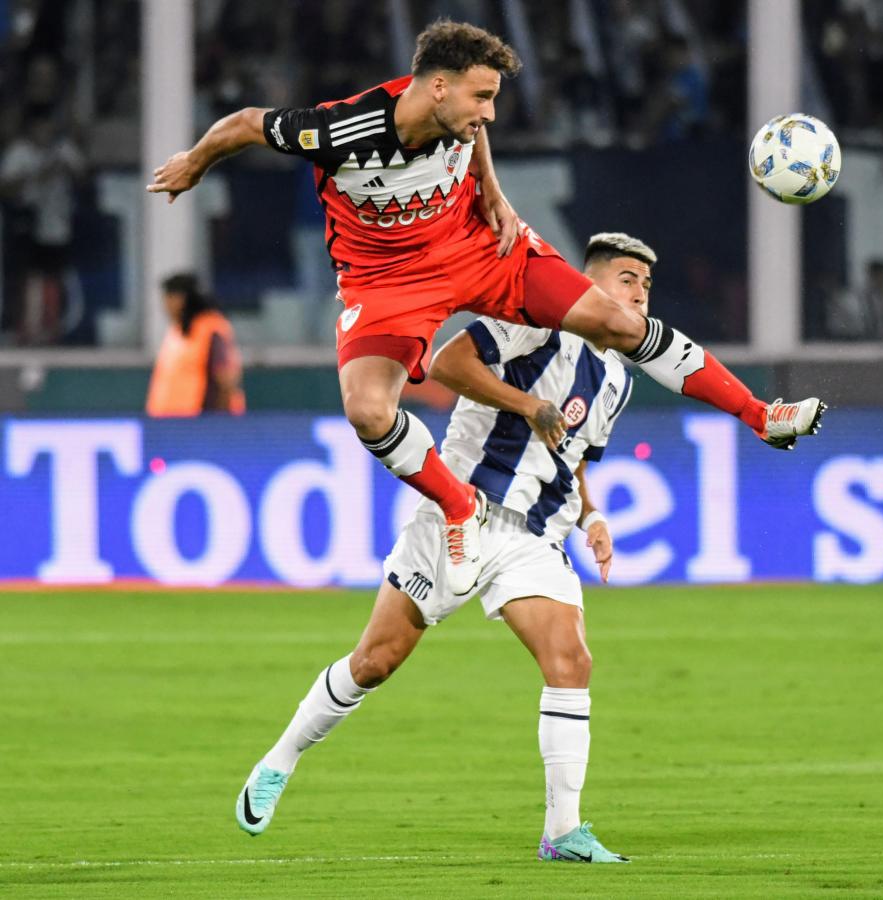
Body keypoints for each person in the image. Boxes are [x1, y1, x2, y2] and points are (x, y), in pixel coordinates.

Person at [147, 19, 825, 597]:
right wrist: (195, 163)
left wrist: (492, 191)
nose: (489, 113)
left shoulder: (455, 113)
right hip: (387, 281)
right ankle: (458, 504)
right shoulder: (340, 130)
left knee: (617, 323)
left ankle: (759, 416)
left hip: (479, 247)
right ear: (437, 86)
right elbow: (241, 125)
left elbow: (471, 134)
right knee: (367, 409)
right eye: (482, 96)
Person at [235, 232, 669, 863]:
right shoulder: (534, 321)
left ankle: (563, 832)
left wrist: (591, 515)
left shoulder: (615, 381)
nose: (639, 292)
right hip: (459, 514)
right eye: (627, 278)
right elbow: (444, 364)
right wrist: (527, 404)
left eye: (646, 284)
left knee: (570, 661)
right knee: (375, 661)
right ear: (590, 281)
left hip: (535, 535)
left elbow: (569, 453)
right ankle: (280, 760)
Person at [0, 114, 84, 344]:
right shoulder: (20, 153)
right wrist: (39, 174)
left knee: (53, 277)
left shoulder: (63, 150)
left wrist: (65, 168)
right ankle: (24, 328)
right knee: (26, 278)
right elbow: (6, 187)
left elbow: (82, 179)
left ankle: (51, 328)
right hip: (26, 223)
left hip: (56, 225)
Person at [145, 273, 246, 417]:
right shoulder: (177, 332)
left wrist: (221, 424)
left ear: (181, 299)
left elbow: (226, 380)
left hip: (199, 424)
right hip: (172, 422)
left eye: (168, 298)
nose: (165, 305)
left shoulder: (210, 328)